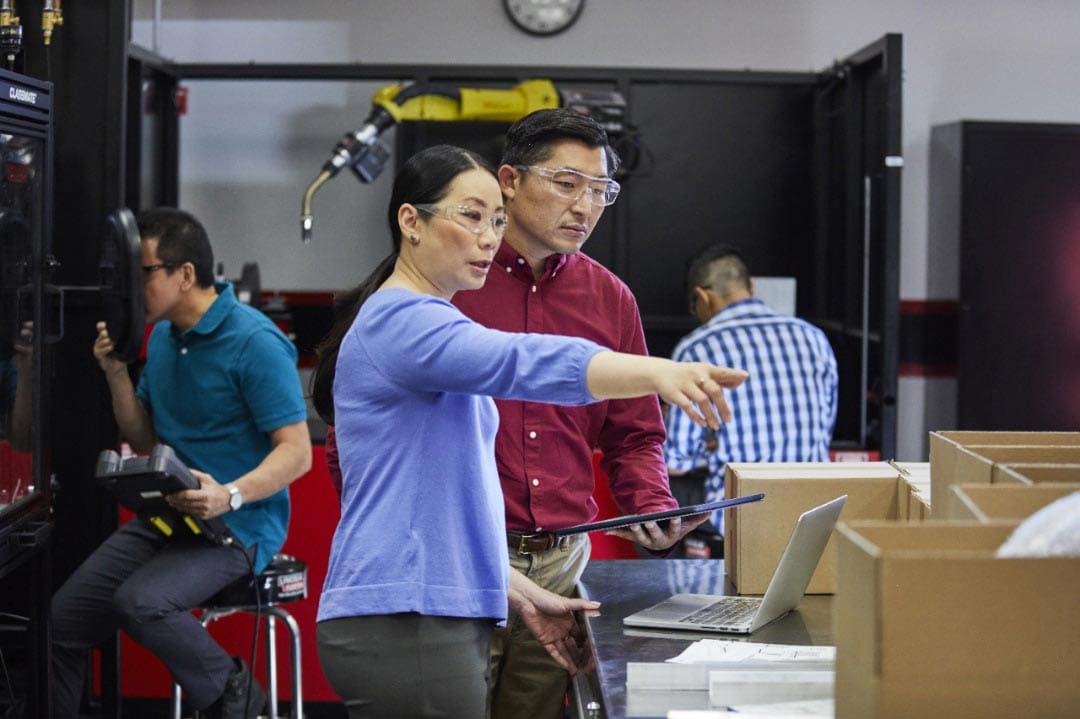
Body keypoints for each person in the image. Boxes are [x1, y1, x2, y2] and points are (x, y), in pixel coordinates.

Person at [311, 144, 747, 718]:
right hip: (408, 619)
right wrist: (658, 371)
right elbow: (522, 361)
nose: (489, 235)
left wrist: (519, 592)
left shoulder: (427, 315)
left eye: (496, 219)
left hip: (434, 612)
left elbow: (446, 509)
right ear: (410, 221)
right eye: (471, 215)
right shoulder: (401, 318)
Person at [447, 108, 714, 718]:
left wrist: (651, 505)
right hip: (463, 551)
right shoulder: (451, 281)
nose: (585, 207)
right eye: (568, 184)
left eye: (601, 191)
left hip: (565, 561)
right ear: (508, 180)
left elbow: (635, 433)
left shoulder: (609, 297)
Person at [49, 208, 312, 719]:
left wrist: (229, 494)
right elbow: (145, 437)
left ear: (184, 274)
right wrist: (116, 374)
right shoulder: (166, 338)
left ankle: (238, 696)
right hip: (172, 517)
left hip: (237, 525)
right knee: (64, 620)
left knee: (140, 601)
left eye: (141, 274)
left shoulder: (254, 342)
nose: (131, 288)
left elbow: (297, 452)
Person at [664, 244, 838, 541]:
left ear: (702, 297)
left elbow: (675, 461)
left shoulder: (697, 348)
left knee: (656, 489)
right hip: (811, 512)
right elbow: (824, 428)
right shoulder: (814, 337)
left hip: (736, 521)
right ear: (751, 286)